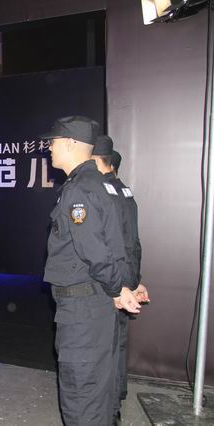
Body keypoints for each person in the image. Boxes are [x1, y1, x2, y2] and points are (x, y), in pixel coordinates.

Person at [40, 116, 141, 425]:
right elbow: (119, 243)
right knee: (98, 391)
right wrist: (122, 286)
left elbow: (93, 249)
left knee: (81, 392)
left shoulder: (80, 189)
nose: (49, 147)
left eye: (53, 142)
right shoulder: (99, 184)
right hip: (96, 303)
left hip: (83, 308)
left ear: (71, 144)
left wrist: (118, 288)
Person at [92, 138, 150, 421]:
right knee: (118, 342)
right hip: (126, 275)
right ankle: (117, 393)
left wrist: (118, 284)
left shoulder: (102, 194)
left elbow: (109, 245)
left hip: (111, 281)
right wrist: (134, 280)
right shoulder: (126, 193)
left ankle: (109, 404)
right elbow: (133, 242)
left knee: (105, 345)